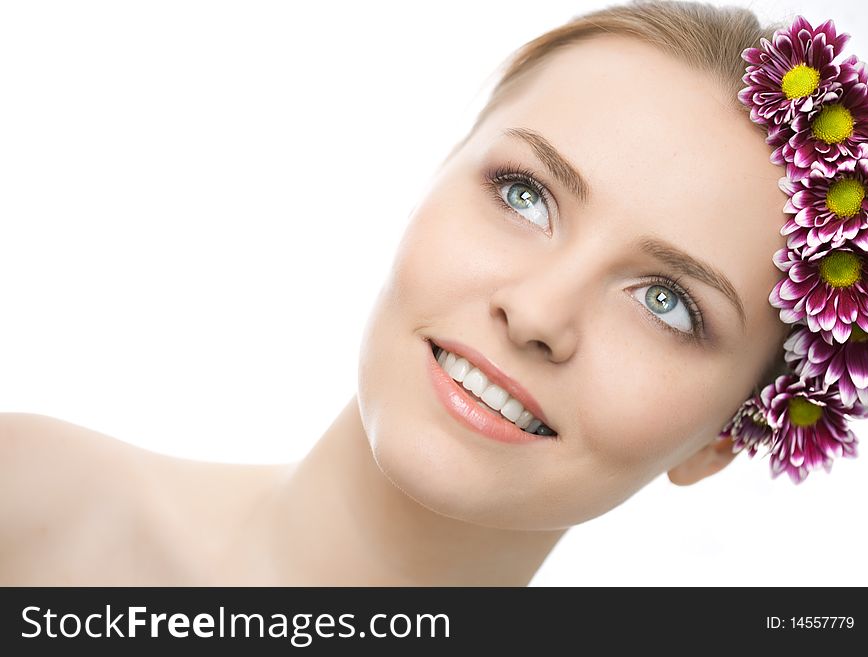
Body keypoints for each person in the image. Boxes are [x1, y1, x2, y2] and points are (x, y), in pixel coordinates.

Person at [0, 0, 800, 586]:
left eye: (667, 300)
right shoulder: (24, 503)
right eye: (525, 194)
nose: (537, 315)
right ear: (433, 181)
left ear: (721, 440)